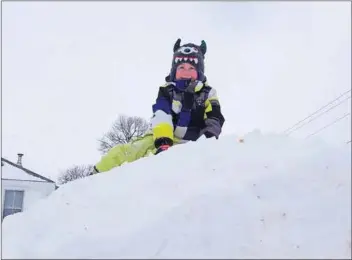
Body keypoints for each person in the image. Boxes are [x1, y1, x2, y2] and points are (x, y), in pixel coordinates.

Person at [90, 39, 225, 175]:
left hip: (194, 142)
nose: (186, 72)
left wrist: (207, 142)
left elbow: (214, 118)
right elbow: (162, 115)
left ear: (199, 71)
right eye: (181, 68)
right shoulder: (167, 90)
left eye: (191, 68)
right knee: (129, 151)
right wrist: (163, 141)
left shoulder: (208, 93)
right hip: (163, 136)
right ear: (174, 70)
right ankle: (94, 177)